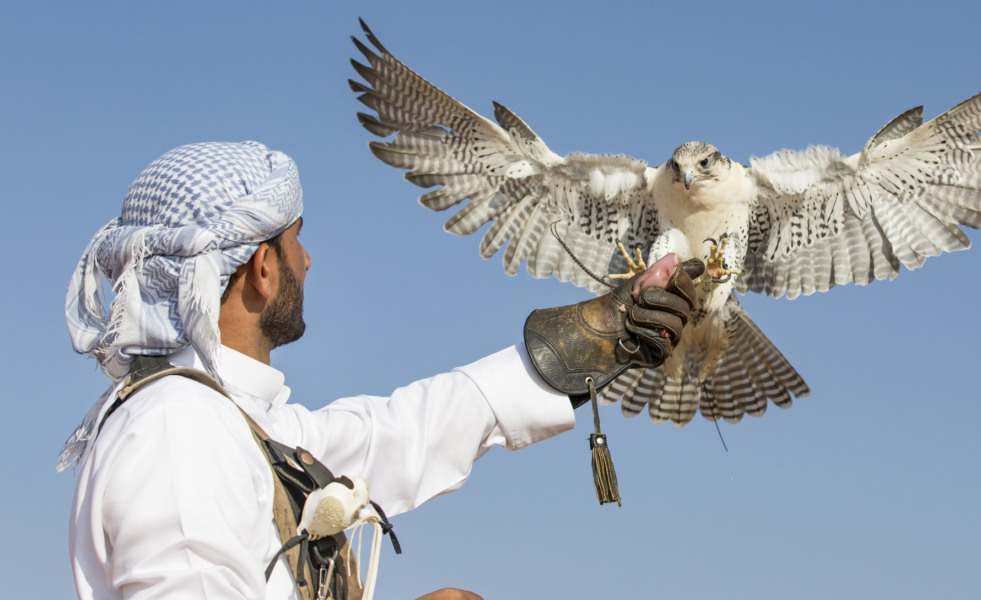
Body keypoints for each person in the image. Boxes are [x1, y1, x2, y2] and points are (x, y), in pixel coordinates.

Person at [60, 141, 699, 600]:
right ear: (261, 266)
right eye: (295, 240)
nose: (307, 260)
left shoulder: (233, 424)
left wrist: (604, 334)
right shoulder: (177, 429)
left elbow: (399, 432)